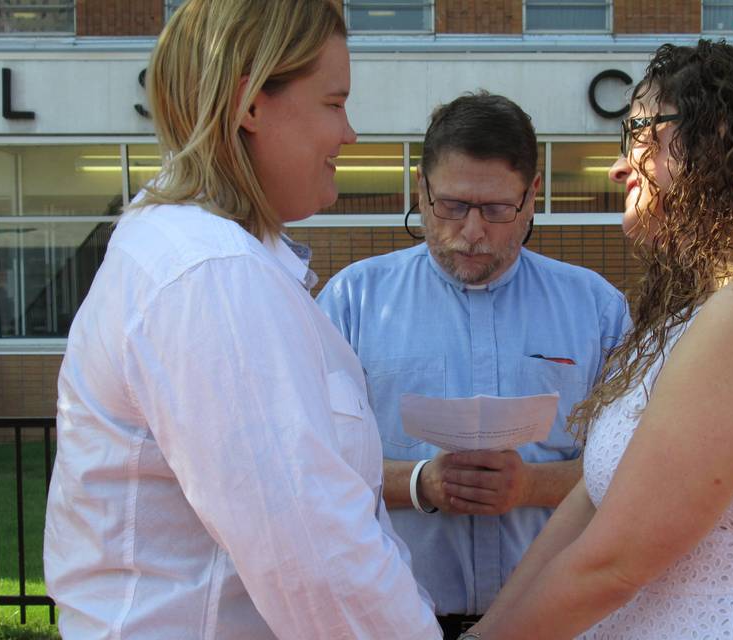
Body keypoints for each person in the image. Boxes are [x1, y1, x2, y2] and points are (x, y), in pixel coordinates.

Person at [464, 40, 733, 639]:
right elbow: (590, 506)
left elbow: (614, 564)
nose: (620, 165)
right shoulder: (707, 311)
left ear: (716, 141)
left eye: (641, 134)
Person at [43, 1, 440, 638]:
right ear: (250, 102)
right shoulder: (211, 273)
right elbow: (315, 559)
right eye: (334, 103)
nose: (350, 134)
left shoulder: (205, 257)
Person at [316, 92, 631, 638]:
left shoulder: (597, 308)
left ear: (532, 195)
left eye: (496, 209)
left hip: (555, 623)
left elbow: (634, 468)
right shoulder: (354, 302)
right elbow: (310, 465)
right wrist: (420, 483)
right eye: (453, 206)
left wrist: (530, 486)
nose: (472, 231)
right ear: (422, 189)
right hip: (396, 621)